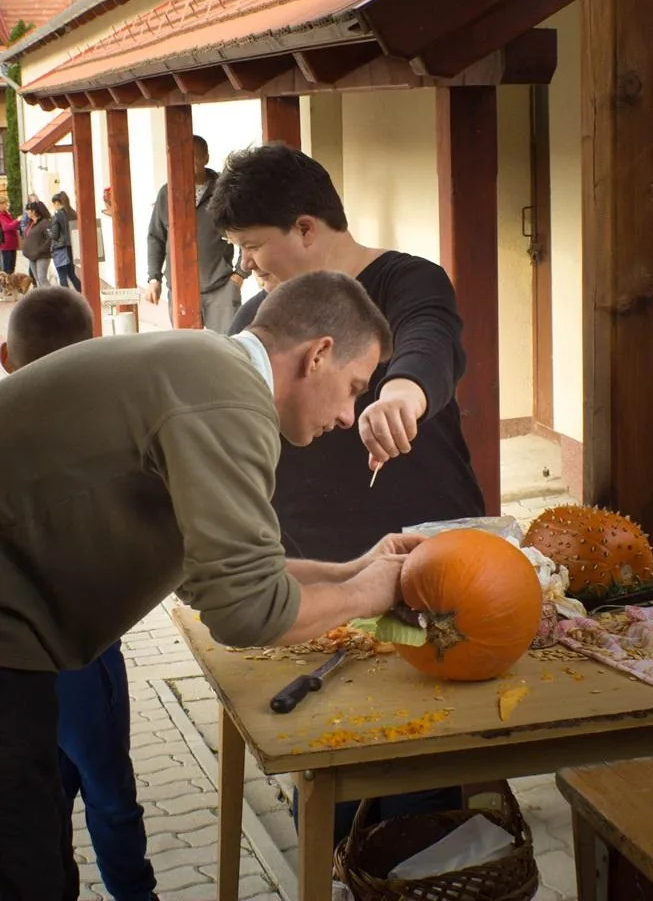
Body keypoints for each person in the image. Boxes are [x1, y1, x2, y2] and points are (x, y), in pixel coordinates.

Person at [0, 270, 421, 901]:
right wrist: (376, 593)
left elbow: (218, 575)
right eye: (355, 389)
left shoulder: (208, 369)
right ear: (319, 353)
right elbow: (245, 611)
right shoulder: (228, 398)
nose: (347, 414)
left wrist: (356, 570)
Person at [216, 143, 485, 840]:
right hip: (321, 554)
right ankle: (340, 861)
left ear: (306, 229)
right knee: (334, 743)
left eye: (253, 248)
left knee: (424, 741)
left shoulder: (405, 279)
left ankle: (425, 860)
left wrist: (399, 391)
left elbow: (429, 340)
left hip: (422, 551)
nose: (248, 267)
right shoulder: (260, 317)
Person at [1, 287, 159, 901]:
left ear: (6, 358)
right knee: (110, 792)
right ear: (91, 352)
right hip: (80, 656)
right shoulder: (104, 431)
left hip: (16, 661)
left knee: (44, 792)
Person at [144, 134, 247, 331]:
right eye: (182, 157)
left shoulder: (224, 190)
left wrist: (240, 275)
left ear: (206, 158)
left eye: (194, 156)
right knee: (188, 351)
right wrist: (154, 278)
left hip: (221, 287)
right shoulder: (167, 193)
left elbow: (245, 229)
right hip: (180, 289)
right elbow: (156, 237)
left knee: (226, 348)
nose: (187, 162)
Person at [49, 191, 82, 291]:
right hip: (71, 247)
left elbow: (55, 235)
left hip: (60, 248)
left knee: (62, 275)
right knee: (71, 274)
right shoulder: (72, 213)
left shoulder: (57, 216)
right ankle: (83, 292)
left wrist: (48, 232)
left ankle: (66, 298)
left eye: (53, 204)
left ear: (57, 203)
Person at [21, 200, 53, 287]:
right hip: (31, 256)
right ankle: (42, 299)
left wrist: (39, 250)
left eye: (28, 210)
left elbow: (50, 238)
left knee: (42, 278)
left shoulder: (45, 223)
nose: (27, 212)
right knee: (37, 279)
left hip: (42, 256)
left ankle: (54, 297)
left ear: (34, 211)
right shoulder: (30, 223)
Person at [0, 195, 21, 275]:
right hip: (6, 246)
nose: (7, 205)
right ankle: (6, 286)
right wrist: (17, 220)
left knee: (12, 268)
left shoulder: (6, 214)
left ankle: (10, 286)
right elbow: (6, 227)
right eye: (5, 203)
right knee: (6, 269)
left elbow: (12, 226)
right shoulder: (1, 215)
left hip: (12, 244)